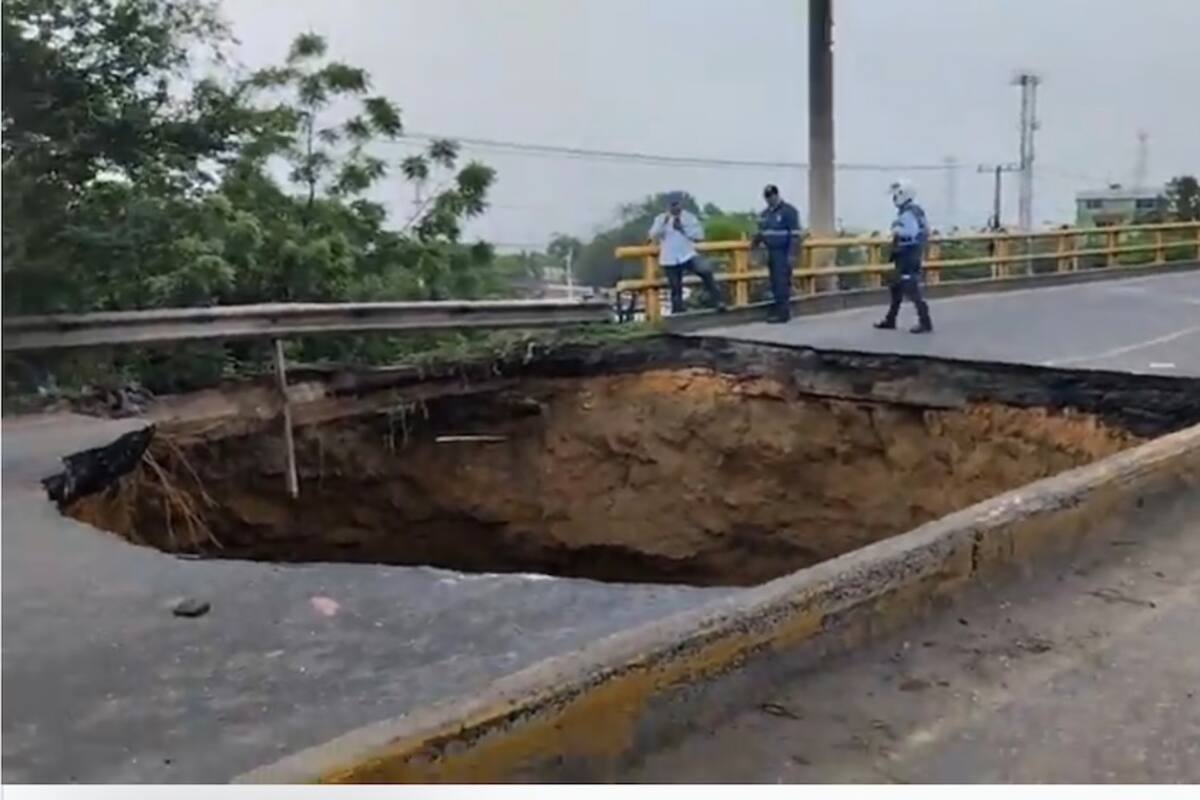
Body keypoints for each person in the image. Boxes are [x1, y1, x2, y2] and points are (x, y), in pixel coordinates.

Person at [647, 193, 725, 314]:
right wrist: (664, 223)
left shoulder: (689, 218)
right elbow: (652, 235)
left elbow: (699, 236)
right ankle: (678, 313)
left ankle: (718, 301)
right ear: (668, 206)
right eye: (672, 205)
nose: (675, 208)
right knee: (675, 288)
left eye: (677, 204)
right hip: (670, 258)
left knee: (706, 272)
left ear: (681, 205)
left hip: (688, 254)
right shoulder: (660, 218)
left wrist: (683, 229)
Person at [874, 179, 934, 333]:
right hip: (912, 252)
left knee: (910, 287)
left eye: (895, 196)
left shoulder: (907, 213)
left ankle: (925, 321)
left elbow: (910, 232)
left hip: (908, 253)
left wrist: (896, 229)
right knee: (897, 287)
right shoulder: (917, 211)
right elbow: (926, 230)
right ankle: (891, 319)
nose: (894, 200)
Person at [753, 184, 802, 323]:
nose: (769, 199)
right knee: (774, 282)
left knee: (782, 282)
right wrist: (754, 245)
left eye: (771, 196)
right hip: (770, 252)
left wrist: (792, 254)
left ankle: (783, 313)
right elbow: (760, 233)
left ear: (777, 195)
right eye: (767, 197)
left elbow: (795, 235)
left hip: (783, 251)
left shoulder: (789, 211)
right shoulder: (765, 214)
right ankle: (779, 309)